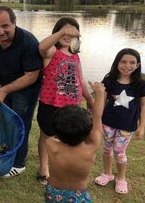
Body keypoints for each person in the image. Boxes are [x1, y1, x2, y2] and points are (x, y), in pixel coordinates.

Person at [0, 6, 42, 177]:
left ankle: (19, 163)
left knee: (20, 124)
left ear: (14, 23)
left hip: (27, 89)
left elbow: (32, 75)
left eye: (5, 26)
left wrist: (4, 90)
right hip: (4, 86)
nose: (0, 32)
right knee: (6, 121)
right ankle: (8, 151)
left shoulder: (28, 42)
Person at [37, 17, 94, 184]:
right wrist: (62, 32)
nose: (68, 34)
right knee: (47, 136)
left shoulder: (76, 57)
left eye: (72, 31)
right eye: (64, 30)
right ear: (57, 32)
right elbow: (42, 47)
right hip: (50, 105)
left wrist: (89, 99)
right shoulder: (51, 53)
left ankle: (62, 166)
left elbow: (80, 79)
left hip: (72, 108)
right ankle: (44, 167)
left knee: (67, 139)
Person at [94, 48, 145, 194]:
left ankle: (121, 178)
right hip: (107, 123)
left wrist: (142, 126)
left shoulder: (141, 84)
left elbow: (143, 106)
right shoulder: (109, 81)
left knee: (119, 152)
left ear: (137, 65)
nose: (127, 65)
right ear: (117, 63)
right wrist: (98, 121)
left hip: (127, 126)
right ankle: (107, 173)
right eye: (123, 61)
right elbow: (100, 101)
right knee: (107, 149)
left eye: (132, 62)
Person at [44, 81, 105, 203]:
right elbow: (97, 116)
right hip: (78, 196)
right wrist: (99, 93)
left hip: (53, 193)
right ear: (88, 132)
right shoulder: (90, 148)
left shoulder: (50, 143)